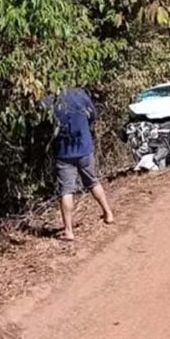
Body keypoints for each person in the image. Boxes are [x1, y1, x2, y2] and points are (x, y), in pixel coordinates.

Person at [46, 87, 114, 240]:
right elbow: (93, 115)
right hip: (84, 146)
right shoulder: (79, 94)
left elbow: (42, 123)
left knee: (66, 190)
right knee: (92, 181)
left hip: (64, 152)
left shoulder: (49, 100)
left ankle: (69, 231)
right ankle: (108, 213)